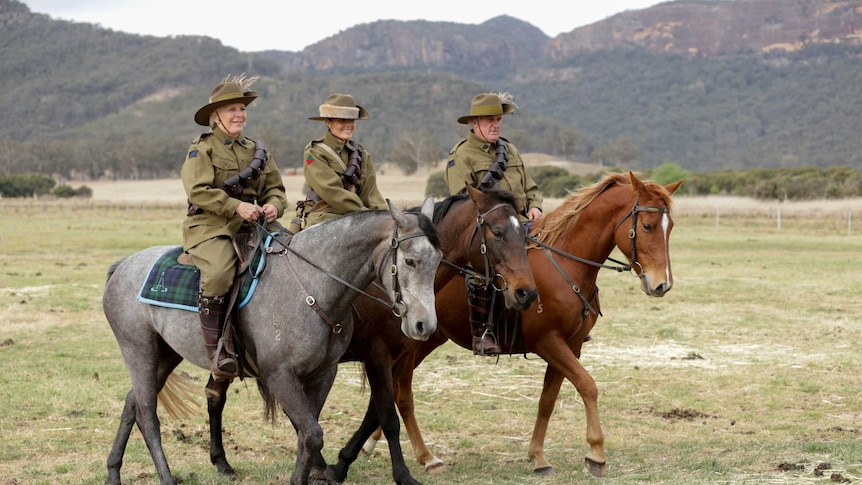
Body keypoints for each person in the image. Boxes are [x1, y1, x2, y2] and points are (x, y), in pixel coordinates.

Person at [181, 74, 287, 380]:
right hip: (210, 227)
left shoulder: (257, 151)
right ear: (215, 117)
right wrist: (235, 206)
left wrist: (274, 206)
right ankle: (218, 351)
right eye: (232, 110)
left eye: (242, 108)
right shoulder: (202, 149)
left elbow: (276, 190)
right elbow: (197, 190)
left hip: (256, 227)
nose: (239, 114)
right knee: (218, 273)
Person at [444, 92, 544, 356]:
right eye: (489, 120)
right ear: (474, 123)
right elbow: (460, 202)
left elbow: (530, 186)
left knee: (551, 259)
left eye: (498, 119)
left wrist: (535, 205)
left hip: (520, 226)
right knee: (480, 275)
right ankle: (482, 333)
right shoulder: (462, 155)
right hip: (485, 232)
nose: (495, 125)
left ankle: (562, 320)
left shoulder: (509, 150)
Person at [295, 93, 387, 230]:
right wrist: (365, 215)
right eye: (342, 120)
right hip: (325, 218)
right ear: (328, 122)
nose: (349, 125)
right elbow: (331, 191)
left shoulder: (362, 155)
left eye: (352, 120)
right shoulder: (314, 153)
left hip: (359, 219)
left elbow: (371, 194)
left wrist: (386, 217)